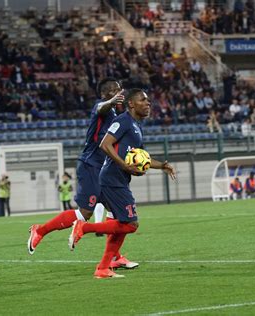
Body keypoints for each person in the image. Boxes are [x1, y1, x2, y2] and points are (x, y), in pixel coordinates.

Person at [27, 78, 138, 270]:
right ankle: (41, 230)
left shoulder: (119, 117)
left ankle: (114, 257)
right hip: (90, 166)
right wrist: (110, 102)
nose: (117, 93)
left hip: (105, 171)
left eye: (119, 89)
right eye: (112, 91)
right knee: (84, 213)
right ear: (104, 95)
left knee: (117, 215)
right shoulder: (102, 108)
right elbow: (102, 108)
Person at [68, 89, 176, 279]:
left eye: (149, 101)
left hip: (119, 179)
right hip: (112, 178)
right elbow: (105, 144)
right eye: (143, 100)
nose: (148, 103)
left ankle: (102, 268)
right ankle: (84, 228)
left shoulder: (137, 126)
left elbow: (143, 158)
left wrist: (162, 166)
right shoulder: (123, 121)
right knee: (131, 224)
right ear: (131, 104)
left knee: (122, 225)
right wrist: (124, 165)